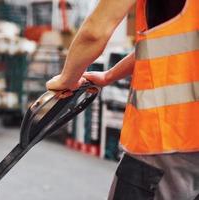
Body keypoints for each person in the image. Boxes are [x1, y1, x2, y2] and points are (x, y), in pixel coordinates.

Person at [46, 0, 199, 199]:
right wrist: (109, 76)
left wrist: (67, 79)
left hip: (166, 140)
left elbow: (95, 32)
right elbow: (170, 43)